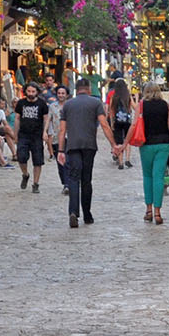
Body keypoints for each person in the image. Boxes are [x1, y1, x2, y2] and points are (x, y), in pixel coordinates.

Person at [56, 77, 120, 229]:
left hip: (72, 145)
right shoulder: (95, 103)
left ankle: (73, 211)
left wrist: (60, 150)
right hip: (89, 145)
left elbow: (62, 130)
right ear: (89, 89)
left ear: (76, 89)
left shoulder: (68, 105)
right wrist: (113, 144)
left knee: (73, 178)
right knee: (86, 180)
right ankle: (87, 214)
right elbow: (104, 125)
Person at [138, 86, 169, 224]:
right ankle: (158, 213)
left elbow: (134, 125)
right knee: (159, 177)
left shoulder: (142, 105)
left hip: (146, 144)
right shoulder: (165, 106)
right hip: (163, 144)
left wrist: (125, 143)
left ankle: (148, 210)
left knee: (147, 176)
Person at [13, 84, 50, 193]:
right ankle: (25, 174)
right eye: (29, 91)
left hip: (37, 135)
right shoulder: (21, 103)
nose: (31, 93)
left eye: (33, 91)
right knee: (21, 157)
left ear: (37, 92)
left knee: (37, 161)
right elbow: (17, 119)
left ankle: (36, 183)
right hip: (23, 134)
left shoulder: (42, 104)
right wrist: (15, 135)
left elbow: (46, 119)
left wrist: (45, 132)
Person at [45, 86, 69, 194]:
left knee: (69, 160)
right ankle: (65, 182)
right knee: (60, 162)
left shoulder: (70, 106)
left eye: (63, 93)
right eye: (59, 93)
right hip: (56, 137)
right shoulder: (52, 106)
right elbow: (48, 119)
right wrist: (45, 132)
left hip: (69, 137)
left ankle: (68, 184)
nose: (61, 95)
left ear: (67, 95)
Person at [108, 77, 134, 169]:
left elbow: (111, 111)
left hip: (117, 121)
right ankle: (127, 159)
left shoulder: (113, 96)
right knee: (127, 140)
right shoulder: (128, 96)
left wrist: (111, 123)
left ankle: (120, 163)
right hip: (127, 121)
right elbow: (134, 107)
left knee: (119, 141)